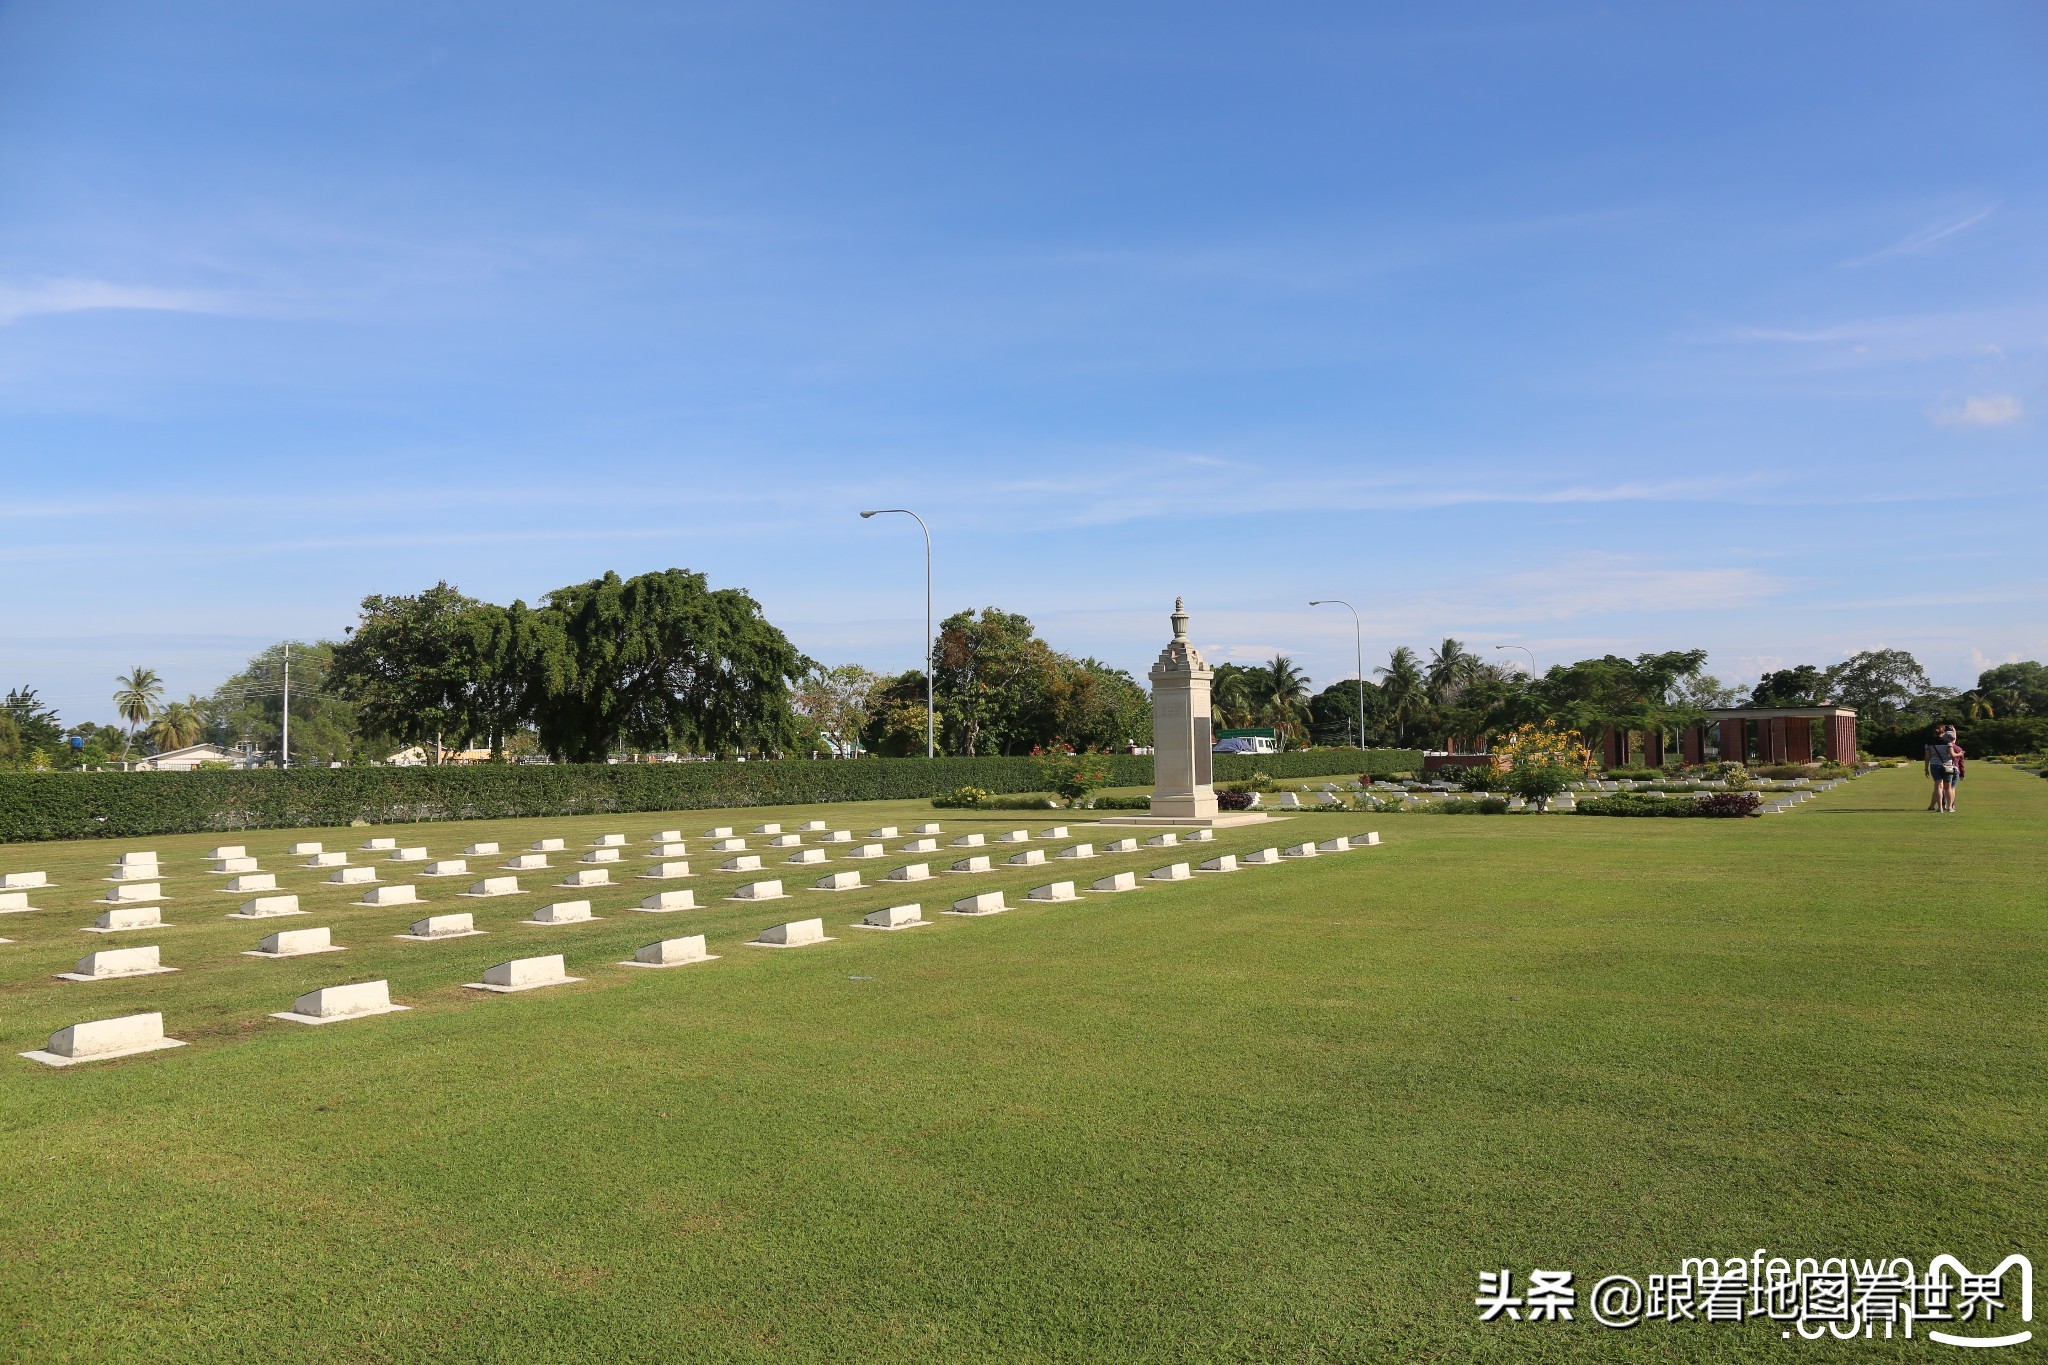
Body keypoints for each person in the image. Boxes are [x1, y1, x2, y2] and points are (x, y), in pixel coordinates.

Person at [1926, 724, 1961, 813]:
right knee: (1948, 787)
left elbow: (1927, 757)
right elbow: (1952, 755)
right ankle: (1949, 807)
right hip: (1947, 766)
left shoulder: (1929, 743)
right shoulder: (1947, 742)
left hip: (1934, 765)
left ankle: (1940, 808)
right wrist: (1960, 754)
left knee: (1938, 786)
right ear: (1943, 732)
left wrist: (1926, 768)